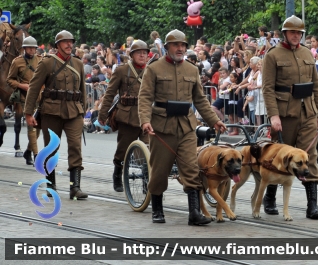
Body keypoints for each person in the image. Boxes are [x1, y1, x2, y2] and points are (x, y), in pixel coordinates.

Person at [138, 29, 226, 225]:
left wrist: (214, 120)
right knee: (160, 170)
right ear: (167, 47)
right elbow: (144, 98)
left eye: (183, 45)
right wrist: (145, 120)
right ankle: (157, 209)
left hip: (186, 127)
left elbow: (200, 100)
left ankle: (194, 213)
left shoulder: (192, 69)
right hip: (162, 126)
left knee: (191, 168)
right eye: (176, 45)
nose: (180, 48)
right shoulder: (153, 69)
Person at [262, 15, 318, 219]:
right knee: (279, 156)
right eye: (293, 32)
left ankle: (312, 205)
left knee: (310, 156)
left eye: (299, 33)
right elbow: (267, 88)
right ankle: (270, 197)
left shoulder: (307, 53)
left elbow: (316, 86)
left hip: (307, 112)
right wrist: (273, 115)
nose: (296, 36)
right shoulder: (273, 55)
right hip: (284, 114)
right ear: (285, 33)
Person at [24, 30, 88, 200]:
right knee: (51, 149)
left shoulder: (78, 64)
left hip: (74, 112)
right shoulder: (47, 63)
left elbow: (82, 90)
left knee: (75, 147)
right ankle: (51, 185)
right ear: (58, 44)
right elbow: (34, 87)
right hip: (51, 112)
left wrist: (84, 110)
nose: (69, 45)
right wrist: (28, 112)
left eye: (71, 42)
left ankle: (75, 187)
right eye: (65, 42)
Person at [98, 40, 150, 192]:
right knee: (123, 149)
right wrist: (103, 113)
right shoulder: (122, 70)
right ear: (132, 55)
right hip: (128, 116)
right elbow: (110, 93)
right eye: (139, 52)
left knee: (149, 151)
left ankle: (147, 183)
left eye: (145, 52)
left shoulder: (151, 71)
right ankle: (117, 174)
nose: (142, 55)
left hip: (147, 117)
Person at [6, 36, 41, 165]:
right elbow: (9, 80)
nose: (32, 50)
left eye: (34, 48)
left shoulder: (40, 60)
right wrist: (22, 85)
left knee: (37, 128)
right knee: (31, 126)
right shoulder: (17, 62)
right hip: (24, 96)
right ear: (25, 49)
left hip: (38, 96)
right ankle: (37, 155)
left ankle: (28, 151)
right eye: (30, 48)